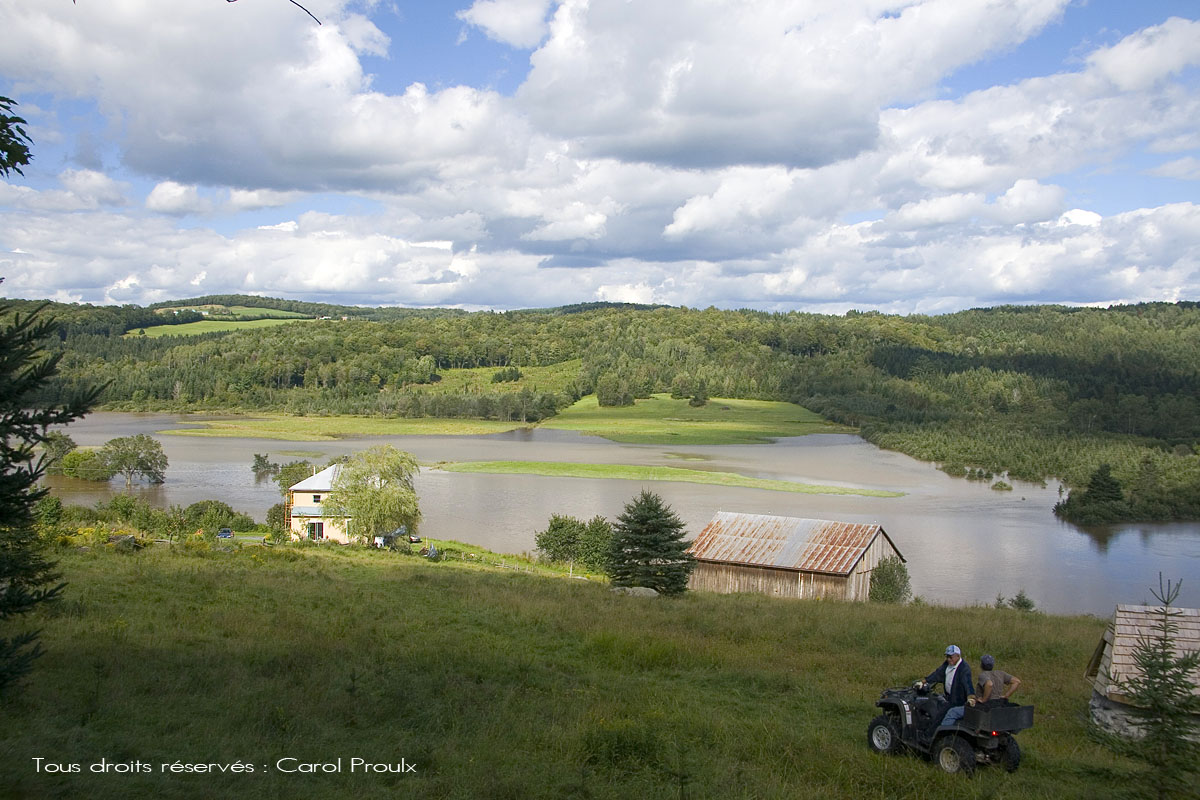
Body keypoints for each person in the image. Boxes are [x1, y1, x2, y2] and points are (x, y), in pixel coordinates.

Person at [918, 644, 977, 728]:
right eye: (947, 657)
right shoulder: (947, 664)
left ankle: (929, 736)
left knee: (939, 717)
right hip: (948, 697)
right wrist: (924, 681)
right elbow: (937, 674)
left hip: (957, 699)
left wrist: (970, 696)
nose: (949, 659)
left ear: (958, 656)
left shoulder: (964, 668)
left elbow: (967, 683)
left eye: (951, 657)